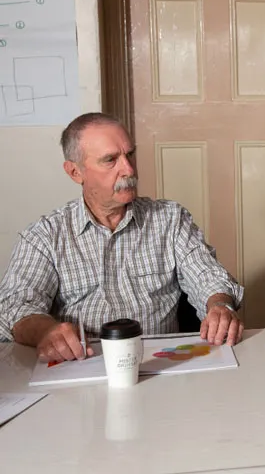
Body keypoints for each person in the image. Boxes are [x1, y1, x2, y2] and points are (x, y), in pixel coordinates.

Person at [0, 113, 245, 362]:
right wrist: (46, 331)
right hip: (84, 365)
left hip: (161, 365)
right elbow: (16, 306)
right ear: (75, 172)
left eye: (130, 154)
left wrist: (219, 306)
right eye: (110, 160)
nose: (128, 169)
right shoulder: (45, 236)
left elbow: (208, 278)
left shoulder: (170, 219)